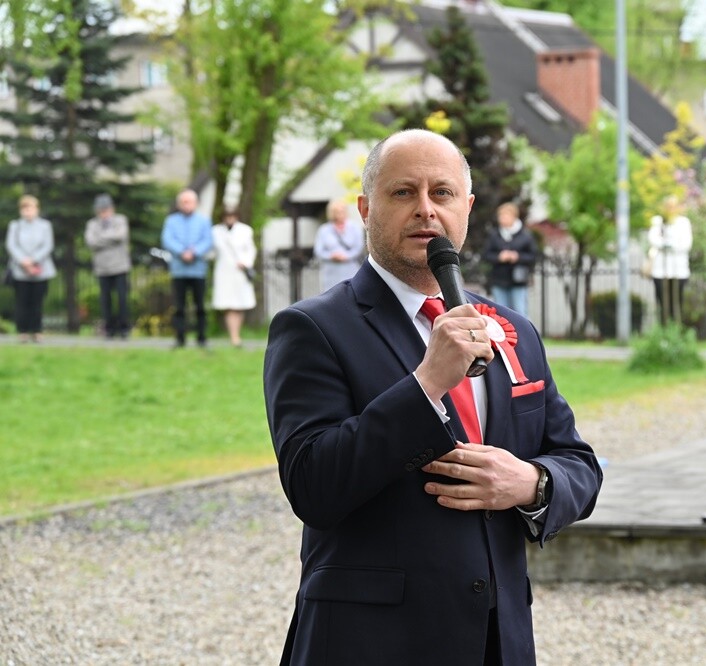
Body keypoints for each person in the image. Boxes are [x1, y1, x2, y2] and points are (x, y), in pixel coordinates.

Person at [263, 129, 602, 665]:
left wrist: (531, 483)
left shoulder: (512, 329)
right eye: (403, 192)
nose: (425, 209)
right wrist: (426, 385)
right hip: (371, 643)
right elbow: (313, 485)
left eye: (442, 193)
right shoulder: (313, 328)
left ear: (467, 208)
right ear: (365, 209)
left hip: (497, 639)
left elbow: (578, 465)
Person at [161, 188, 213, 348]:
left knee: (200, 306)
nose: (186, 205)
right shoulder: (171, 221)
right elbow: (167, 239)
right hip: (179, 270)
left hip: (198, 270)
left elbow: (208, 240)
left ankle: (201, 338)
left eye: (189, 202)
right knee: (179, 306)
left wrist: (194, 252)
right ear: (179, 204)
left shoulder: (204, 221)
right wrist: (181, 252)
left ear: (195, 203)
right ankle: (180, 338)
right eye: (183, 202)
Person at [5, 195, 56, 343]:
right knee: (22, 302)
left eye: (31, 208)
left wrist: (33, 260)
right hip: (20, 270)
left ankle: (37, 330)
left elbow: (47, 245)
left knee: (37, 302)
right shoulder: (15, 226)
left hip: (40, 269)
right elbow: (11, 245)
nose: (28, 211)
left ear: (37, 209)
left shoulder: (45, 226)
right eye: (25, 208)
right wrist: (24, 261)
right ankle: (23, 331)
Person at [84, 194, 132, 339]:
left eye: (106, 209)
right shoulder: (92, 224)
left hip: (120, 266)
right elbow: (91, 242)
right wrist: (110, 238)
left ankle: (124, 328)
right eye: (101, 210)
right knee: (105, 300)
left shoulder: (121, 220)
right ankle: (109, 329)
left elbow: (120, 236)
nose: (104, 213)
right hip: (102, 268)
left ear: (112, 209)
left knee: (122, 299)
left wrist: (101, 238)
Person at [211, 207, 257, 347]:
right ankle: (234, 336)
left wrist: (246, 263)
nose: (229, 218)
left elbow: (251, 250)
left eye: (232, 216)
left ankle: (236, 335)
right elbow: (212, 252)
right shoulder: (215, 231)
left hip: (240, 272)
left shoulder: (246, 230)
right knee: (229, 304)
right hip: (224, 272)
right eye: (227, 216)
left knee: (239, 304)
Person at [482, 202, 538, 316]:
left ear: (514, 217)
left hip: (518, 281)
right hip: (499, 280)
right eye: (500, 216)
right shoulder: (494, 235)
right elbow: (486, 255)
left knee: (520, 312)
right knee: (501, 313)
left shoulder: (525, 236)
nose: (502, 219)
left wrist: (517, 257)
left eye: (505, 216)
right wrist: (499, 257)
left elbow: (533, 256)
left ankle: (522, 329)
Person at [647, 195, 693, 325]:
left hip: (679, 270)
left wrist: (671, 245)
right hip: (660, 270)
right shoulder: (658, 221)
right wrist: (665, 244)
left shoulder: (683, 222)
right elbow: (653, 239)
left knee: (677, 302)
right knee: (662, 302)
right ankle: (664, 328)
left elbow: (686, 244)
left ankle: (676, 328)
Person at [314, 199, 365, 292]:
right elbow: (319, 251)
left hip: (351, 270)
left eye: (342, 211)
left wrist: (345, 256)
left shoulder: (355, 227)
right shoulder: (324, 230)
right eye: (337, 211)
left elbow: (358, 248)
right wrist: (331, 256)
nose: (340, 214)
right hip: (331, 273)